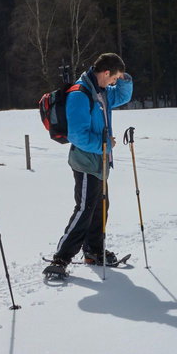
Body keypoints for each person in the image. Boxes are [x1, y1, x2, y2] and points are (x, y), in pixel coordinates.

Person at [44, 53, 134, 277]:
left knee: (101, 206)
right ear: (106, 73)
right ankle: (61, 258)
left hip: (100, 160)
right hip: (85, 161)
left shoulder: (101, 91)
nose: (114, 82)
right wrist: (105, 144)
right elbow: (77, 135)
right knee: (85, 209)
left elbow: (122, 96)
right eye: (114, 78)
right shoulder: (80, 94)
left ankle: (93, 250)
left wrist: (125, 79)